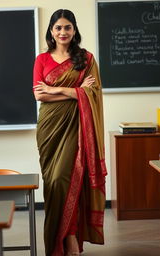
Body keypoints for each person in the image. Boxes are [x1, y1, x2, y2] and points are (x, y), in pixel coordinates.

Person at [33, 9, 107, 256]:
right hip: (49, 130)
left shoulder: (86, 59)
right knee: (52, 184)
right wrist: (76, 90)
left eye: (67, 27)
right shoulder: (41, 59)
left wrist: (58, 91)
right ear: (51, 32)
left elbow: (92, 95)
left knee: (65, 179)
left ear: (74, 31)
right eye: (58, 28)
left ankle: (71, 235)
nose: (63, 32)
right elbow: (38, 94)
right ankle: (59, 240)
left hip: (76, 127)